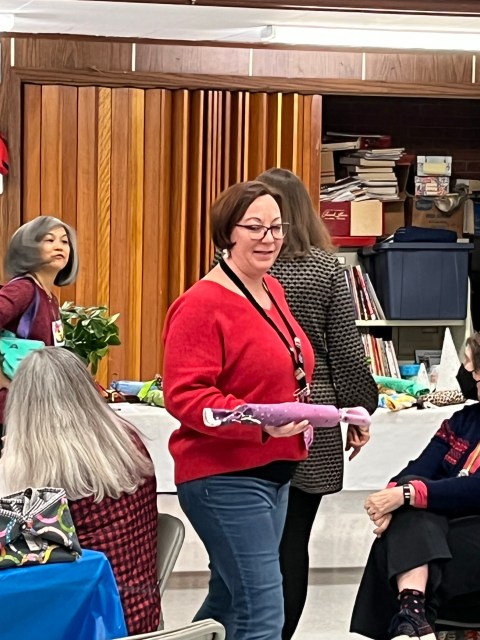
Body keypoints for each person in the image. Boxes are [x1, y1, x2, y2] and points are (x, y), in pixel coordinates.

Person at [163, 180, 315, 640]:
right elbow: (187, 397)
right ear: (227, 233)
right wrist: (262, 423)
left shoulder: (271, 289)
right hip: (225, 476)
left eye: (276, 227)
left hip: (274, 471)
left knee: (230, 601)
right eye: (254, 227)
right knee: (262, 611)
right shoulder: (200, 304)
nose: (269, 238)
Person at [255, 167, 378, 639]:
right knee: (293, 542)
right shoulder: (326, 268)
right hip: (315, 412)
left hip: (256, 411)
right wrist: (360, 411)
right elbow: (345, 351)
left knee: (251, 545)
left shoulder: (244, 265)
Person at [0, 348, 160, 635]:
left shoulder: (44, 467)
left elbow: (18, 549)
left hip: (87, 621)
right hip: (140, 612)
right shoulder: (127, 441)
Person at [350, 333, 480, 640]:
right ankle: (414, 618)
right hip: (447, 530)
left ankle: (411, 615)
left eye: (474, 369)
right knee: (410, 505)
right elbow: (420, 468)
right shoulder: (464, 420)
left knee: (401, 541)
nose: (469, 375)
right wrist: (394, 495)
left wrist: (405, 496)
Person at [0, 216, 79, 430]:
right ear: (28, 248)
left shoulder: (50, 298)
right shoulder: (23, 290)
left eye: (64, 241)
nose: (59, 246)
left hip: (36, 406)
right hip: (13, 412)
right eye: (49, 240)